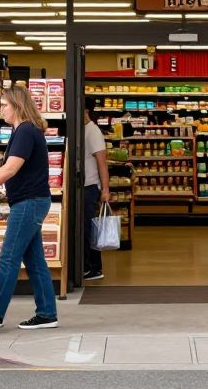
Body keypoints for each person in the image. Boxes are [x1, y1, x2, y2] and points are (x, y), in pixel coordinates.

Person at [0, 85, 58, 330]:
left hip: (29, 202)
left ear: (17, 106)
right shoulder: (23, 130)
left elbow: (10, 168)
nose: (1, 109)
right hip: (31, 200)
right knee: (35, 260)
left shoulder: (26, 130)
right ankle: (47, 313)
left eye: (4, 105)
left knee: (8, 257)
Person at [82, 97, 111, 281]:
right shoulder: (82, 129)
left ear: (85, 110)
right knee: (85, 229)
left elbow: (102, 163)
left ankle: (95, 268)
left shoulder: (92, 131)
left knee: (91, 229)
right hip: (83, 187)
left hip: (90, 187)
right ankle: (86, 266)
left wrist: (105, 190)